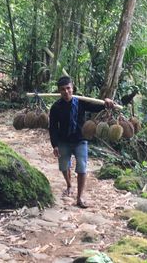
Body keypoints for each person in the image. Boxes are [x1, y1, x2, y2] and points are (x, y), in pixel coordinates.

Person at [49, 76, 114, 208]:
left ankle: (79, 197)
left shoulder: (81, 102)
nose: (66, 92)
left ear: (73, 88)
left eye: (68, 88)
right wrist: (54, 145)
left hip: (80, 140)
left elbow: (97, 107)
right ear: (59, 91)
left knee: (82, 168)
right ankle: (68, 184)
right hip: (63, 141)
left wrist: (106, 102)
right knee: (63, 167)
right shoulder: (56, 107)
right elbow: (53, 128)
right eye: (63, 89)